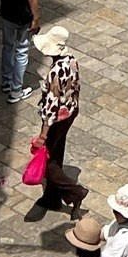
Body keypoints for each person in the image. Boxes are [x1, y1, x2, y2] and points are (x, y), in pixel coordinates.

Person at [34, 24, 85, 215]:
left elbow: (51, 105)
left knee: (48, 163)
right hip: (71, 111)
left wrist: (43, 134)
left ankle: (75, 192)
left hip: (57, 118)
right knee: (57, 153)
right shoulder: (72, 60)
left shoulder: (55, 71)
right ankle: (52, 197)